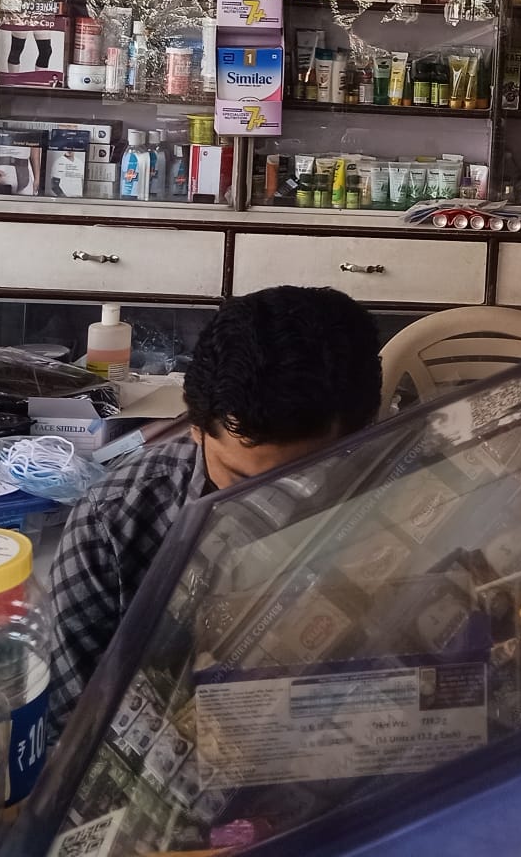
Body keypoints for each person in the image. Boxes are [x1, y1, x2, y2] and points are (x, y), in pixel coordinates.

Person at [47, 286, 381, 738]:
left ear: (368, 433)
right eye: (243, 481)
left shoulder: (420, 487)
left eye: (307, 476)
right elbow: (71, 726)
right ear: (195, 427)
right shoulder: (115, 522)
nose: (275, 503)